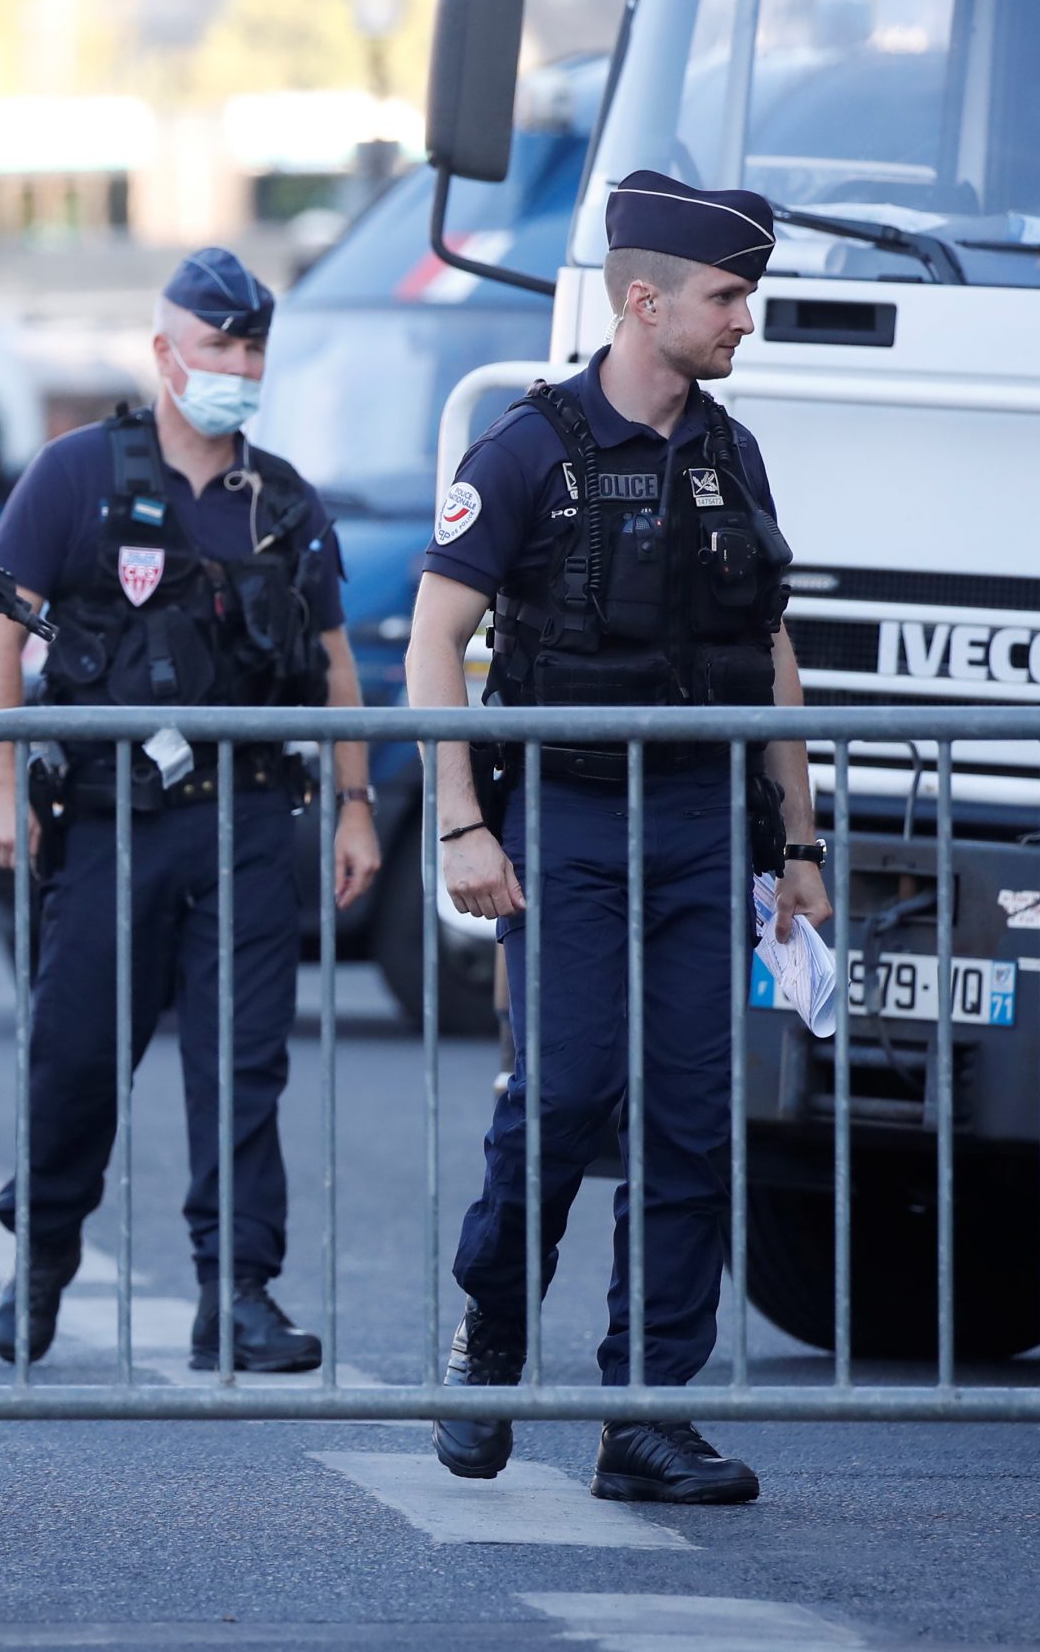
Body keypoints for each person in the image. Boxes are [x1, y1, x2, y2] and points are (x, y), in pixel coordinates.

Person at [404, 172, 832, 1503]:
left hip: (707, 824)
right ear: (643, 301)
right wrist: (464, 822)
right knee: (566, 1097)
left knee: (698, 1121)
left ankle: (645, 1410)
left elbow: (771, 654)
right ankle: (492, 1333)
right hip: (573, 816)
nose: (744, 317)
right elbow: (433, 641)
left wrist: (801, 844)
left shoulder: (731, 453)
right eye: (726, 294)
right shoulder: (528, 449)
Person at [0, 247, 381, 1375]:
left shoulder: (280, 499)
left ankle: (237, 1291)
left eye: (252, 348)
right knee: (73, 1060)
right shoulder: (77, 473)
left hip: (246, 820)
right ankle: (45, 1248)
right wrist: (1, 783)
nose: (237, 367)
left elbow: (335, 665)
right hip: (109, 822)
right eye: (217, 346)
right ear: (164, 353)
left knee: (244, 1064)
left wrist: (355, 806)